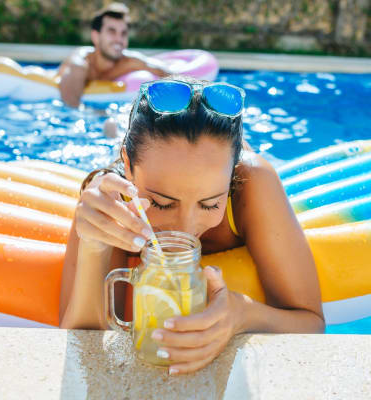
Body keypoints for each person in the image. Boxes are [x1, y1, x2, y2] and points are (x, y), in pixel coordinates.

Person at [59, 75, 325, 375]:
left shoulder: (252, 183)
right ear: (130, 168)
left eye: (210, 204)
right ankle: (111, 129)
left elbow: (311, 322)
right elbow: (80, 343)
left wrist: (242, 314)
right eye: (161, 203)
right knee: (111, 133)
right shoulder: (111, 198)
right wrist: (94, 247)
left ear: (231, 177)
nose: (185, 228)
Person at [58, 2, 169, 108]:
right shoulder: (80, 63)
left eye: (123, 33)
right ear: (96, 37)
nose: (118, 39)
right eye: (112, 31)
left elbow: (167, 73)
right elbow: (70, 104)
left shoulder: (130, 61)